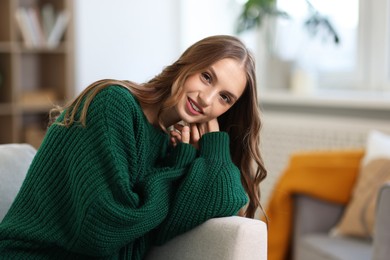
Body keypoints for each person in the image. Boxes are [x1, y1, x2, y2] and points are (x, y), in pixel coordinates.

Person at [0, 35, 267, 259]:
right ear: (188, 64)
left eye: (224, 97)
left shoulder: (172, 143)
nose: (207, 99)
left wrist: (214, 149)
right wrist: (177, 169)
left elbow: (225, 202)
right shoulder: (113, 105)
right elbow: (102, 229)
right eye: (207, 77)